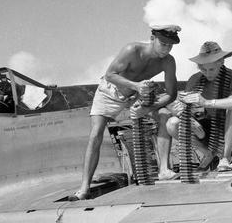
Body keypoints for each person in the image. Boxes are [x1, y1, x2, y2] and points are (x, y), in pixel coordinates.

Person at [70, 25, 181, 200]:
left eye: (170, 45)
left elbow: (172, 93)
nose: (166, 48)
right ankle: (84, 188)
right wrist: (136, 85)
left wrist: (148, 107)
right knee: (96, 134)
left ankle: (164, 170)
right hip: (110, 92)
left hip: (137, 95)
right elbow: (110, 75)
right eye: (163, 43)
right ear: (152, 38)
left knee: (165, 116)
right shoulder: (132, 49)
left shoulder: (168, 61)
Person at [167, 41, 232, 171]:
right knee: (172, 124)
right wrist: (185, 117)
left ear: (221, 62)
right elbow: (182, 105)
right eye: (203, 69)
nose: (207, 73)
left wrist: (207, 102)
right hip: (207, 128)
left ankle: (225, 157)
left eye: (211, 69)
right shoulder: (195, 79)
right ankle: (208, 153)